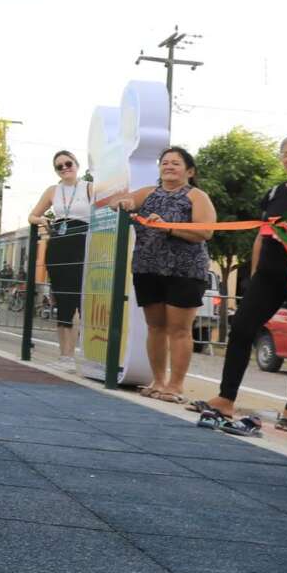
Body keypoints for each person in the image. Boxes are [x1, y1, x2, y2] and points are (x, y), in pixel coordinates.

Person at [200, 133, 287, 434]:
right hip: (270, 274)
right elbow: (263, 233)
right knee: (243, 327)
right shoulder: (274, 193)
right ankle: (226, 397)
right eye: (286, 153)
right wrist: (256, 273)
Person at [104, 146, 218, 402]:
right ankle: (157, 381)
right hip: (147, 268)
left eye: (175, 163)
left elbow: (205, 231)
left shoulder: (197, 196)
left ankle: (175, 386)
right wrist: (122, 203)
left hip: (185, 270)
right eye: (165, 162)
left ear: (189, 171)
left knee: (179, 329)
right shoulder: (148, 193)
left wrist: (168, 228)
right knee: (155, 327)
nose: (168, 166)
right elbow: (116, 202)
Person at [28, 150, 94, 358]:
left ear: (76, 164)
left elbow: (105, 210)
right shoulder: (52, 191)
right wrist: (43, 221)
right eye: (60, 166)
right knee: (62, 300)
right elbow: (32, 215)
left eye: (68, 163)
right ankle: (63, 354)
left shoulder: (89, 188)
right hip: (58, 246)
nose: (65, 168)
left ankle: (74, 354)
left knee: (76, 300)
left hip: (80, 245)